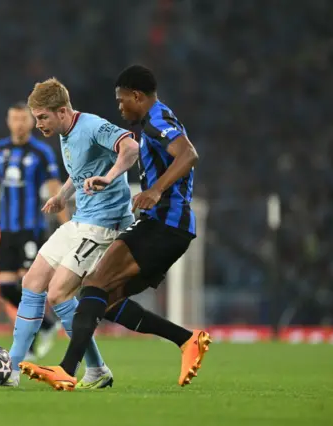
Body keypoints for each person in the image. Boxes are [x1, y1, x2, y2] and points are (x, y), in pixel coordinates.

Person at [19, 65, 211, 391]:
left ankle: (68, 369)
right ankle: (186, 339)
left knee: (93, 285)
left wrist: (154, 190)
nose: (120, 109)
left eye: (122, 102)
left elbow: (188, 154)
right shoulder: (158, 119)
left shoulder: (156, 121)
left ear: (138, 96)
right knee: (104, 300)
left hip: (165, 224)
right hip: (161, 224)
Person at [6, 77, 140, 388]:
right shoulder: (65, 132)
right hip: (82, 219)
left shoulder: (92, 126)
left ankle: (95, 369)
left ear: (63, 110)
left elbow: (131, 147)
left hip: (105, 224)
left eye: (42, 117)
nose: (38, 124)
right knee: (33, 280)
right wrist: (62, 196)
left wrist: (109, 177)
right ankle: (11, 368)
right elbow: (80, 172)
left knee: (58, 293)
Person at [0, 102, 68, 359]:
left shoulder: (41, 153)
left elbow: (54, 190)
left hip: (31, 229)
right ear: (8, 121)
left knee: (29, 287)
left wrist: (67, 225)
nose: (18, 123)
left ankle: (28, 347)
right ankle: (47, 324)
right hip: (6, 229)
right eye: (14, 119)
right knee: (5, 288)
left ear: (30, 122)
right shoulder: (0, 150)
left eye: (22, 119)